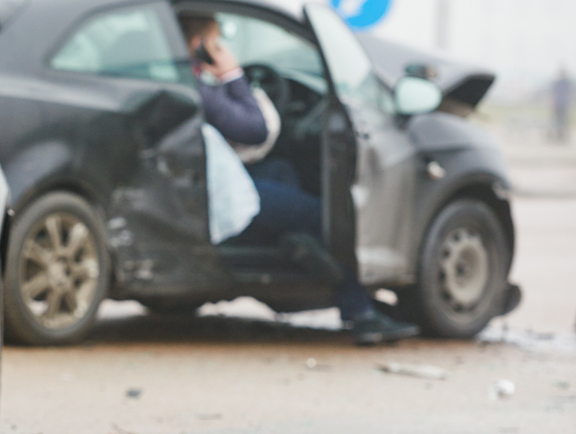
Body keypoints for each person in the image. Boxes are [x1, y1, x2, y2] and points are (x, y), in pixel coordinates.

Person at [178, 13, 420, 345]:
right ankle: (360, 311)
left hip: (205, 180)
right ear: (199, 45)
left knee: (282, 172)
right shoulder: (196, 88)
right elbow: (254, 129)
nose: (221, 50)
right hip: (213, 193)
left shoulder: (181, 82)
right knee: (324, 216)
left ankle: (293, 248)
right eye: (216, 43)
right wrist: (233, 75)